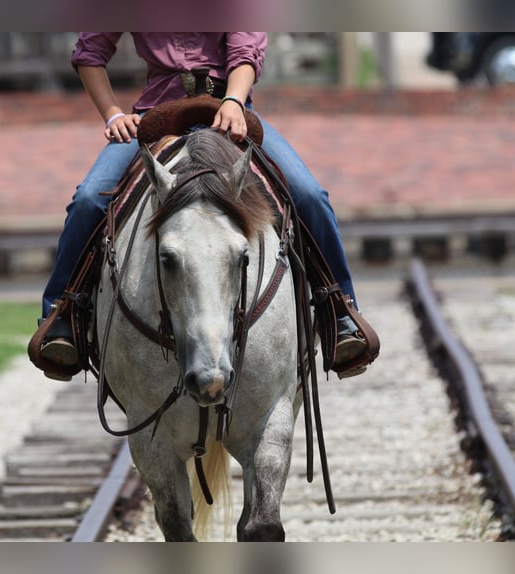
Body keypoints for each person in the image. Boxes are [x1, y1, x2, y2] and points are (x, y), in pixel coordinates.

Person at [38, 33, 372, 380]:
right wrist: (111, 115)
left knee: (309, 195)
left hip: (229, 110)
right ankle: (63, 316)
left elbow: (246, 50)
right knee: (89, 199)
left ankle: (339, 312)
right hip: (156, 113)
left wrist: (233, 99)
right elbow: (90, 52)